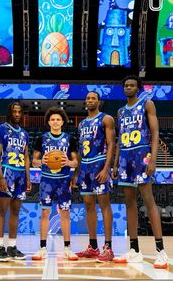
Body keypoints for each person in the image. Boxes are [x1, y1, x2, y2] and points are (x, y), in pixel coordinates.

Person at [112, 75, 168, 269]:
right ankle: (134, 250)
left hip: (142, 154)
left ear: (138, 88)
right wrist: (115, 163)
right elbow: (119, 139)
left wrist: (152, 158)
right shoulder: (120, 111)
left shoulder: (147, 104)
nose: (128, 87)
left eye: (132, 85)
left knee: (148, 199)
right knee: (129, 202)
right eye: (126, 85)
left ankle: (161, 251)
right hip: (126, 158)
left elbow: (155, 133)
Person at [72, 92, 116, 262]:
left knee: (104, 204)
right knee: (89, 206)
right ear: (85, 102)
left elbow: (112, 144)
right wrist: (77, 173)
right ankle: (93, 247)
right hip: (85, 168)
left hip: (99, 164)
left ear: (99, 101)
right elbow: (82, 151)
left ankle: (108, 247)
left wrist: (107, 168)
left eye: (93, 98)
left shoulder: (106, 119)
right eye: (88, 98)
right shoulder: (82, 124)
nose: (90, 100)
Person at [32, 107, 79, 261]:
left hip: (64, 180)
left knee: (65, 214)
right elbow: (34, 161)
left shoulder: (69, 139)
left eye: (58, 119)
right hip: (46, 180)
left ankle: (67, 248)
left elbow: (75, 162)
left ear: (63, 122)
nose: (55, 122)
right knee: (45, 213)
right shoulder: (42, 138)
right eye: (52, 119)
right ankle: (42, 248)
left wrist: (69, 162)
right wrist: (42, 161)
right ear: (48, 122)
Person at [0, 102, 31, 261]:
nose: (17, 114)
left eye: (19, 112)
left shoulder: (24, 133)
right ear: (10, 113)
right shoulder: (1, 129)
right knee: (2, 210)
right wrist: (0, 176)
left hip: (20, 174)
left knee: (15, 211)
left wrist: (28, 178)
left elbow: (27, 157)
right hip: (7, 171)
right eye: (14, 111)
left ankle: (12, 246)